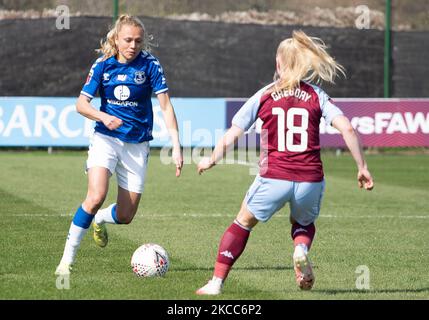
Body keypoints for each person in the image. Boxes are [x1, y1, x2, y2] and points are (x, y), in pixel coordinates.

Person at [195, 30, 374, 295]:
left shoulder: (264, 95)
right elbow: (347, 128)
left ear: (278, 64)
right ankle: (300, 249)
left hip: (274, 176)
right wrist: (362, 167)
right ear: (304, 64)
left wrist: (211, 159)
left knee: (242, 222)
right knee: (302, 223)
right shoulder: (317, 95)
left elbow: (235, 131)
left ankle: (216, 283)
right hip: (310, 179)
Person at [55, 14, 183, 276]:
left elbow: (166, 106)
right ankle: (66, 262)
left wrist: (177, 145)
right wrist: (103, 117)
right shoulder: (103, 65)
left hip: (137, 144)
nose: (133, 45)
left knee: (126, 215)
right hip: (106, 138)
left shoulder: (150, 65)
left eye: (138, 40)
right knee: (95, 196)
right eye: (128, 40)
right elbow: (81, 104)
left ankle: (100, 219)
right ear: (116, 38)